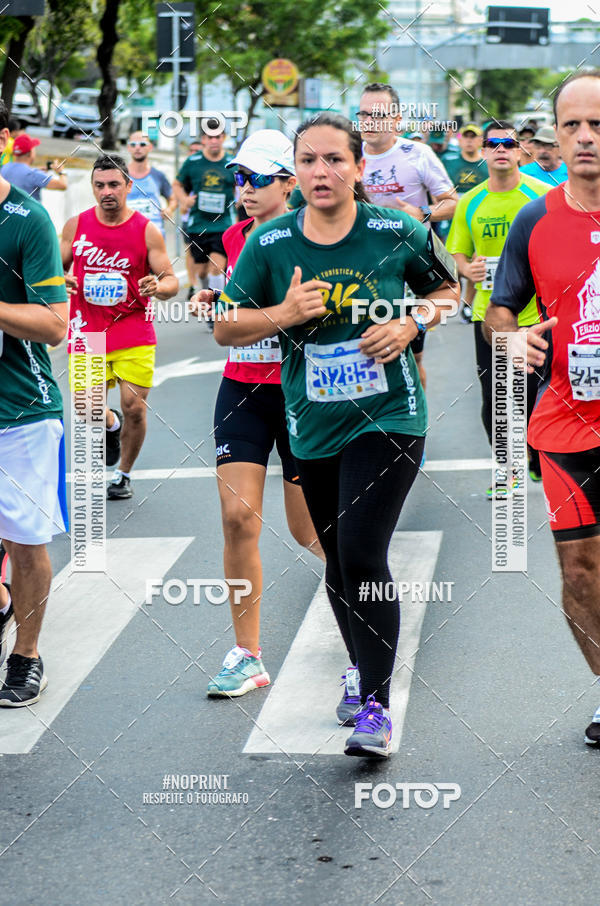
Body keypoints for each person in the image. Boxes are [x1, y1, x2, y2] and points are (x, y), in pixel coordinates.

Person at [213, 112, 459, 758]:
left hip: (391, 416)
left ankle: (375, 707)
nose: (321, 172)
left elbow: (448, 291)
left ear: (357, 168)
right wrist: (282, 314)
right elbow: (223, 326)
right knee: (338, 561)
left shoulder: (394, 229)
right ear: (296, 172)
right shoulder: (270, 244)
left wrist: (409, 326)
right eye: (309, 161)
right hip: (313, 424)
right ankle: (360, 666)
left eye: (334, 160)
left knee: (360, 552)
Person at [484, 71, 600, 746]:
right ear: (555, 135)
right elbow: (501, 309)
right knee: (581, 572)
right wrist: (512, 335)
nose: (586, 137)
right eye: (573, 125)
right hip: (566, 424)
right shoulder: (535, 217)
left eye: (598, 124)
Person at [190, 129, 324, 698]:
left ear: (288, 184)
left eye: (255, 179)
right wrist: (216, 304)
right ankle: (247, 654)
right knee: (237, 518)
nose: (242, 189)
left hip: (299, 391)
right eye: (238, 178)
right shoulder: (232, 233)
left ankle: (367, 594)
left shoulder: (309, 236)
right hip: (242, 387)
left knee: (307, 532)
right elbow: (235, 316)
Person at [0, 100, 69, 706]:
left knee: (24, 542)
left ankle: (26, 655)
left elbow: (54, 324)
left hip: (20, 409)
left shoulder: (26, 221)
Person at [61, 154, 178, 500]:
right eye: (100, 185)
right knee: (87, 408)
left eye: (114, 184)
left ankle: (122, 473)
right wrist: (60, 280)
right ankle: (111, 427)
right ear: (93, 187)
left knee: (134, 408)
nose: (107, 192)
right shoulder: (76, 225)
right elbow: (51, 270)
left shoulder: (145, 230)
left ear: (128, 186)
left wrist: (159, 287)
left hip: (132, 329)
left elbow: (170, 280)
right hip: (88, 331)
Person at [446, 121, 550, 494]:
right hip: (489, 317)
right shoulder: (471, 201)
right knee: (495, 400)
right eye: (494, 144)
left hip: (538, 317)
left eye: (508, 143)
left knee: (538, 396)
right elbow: (454, 248)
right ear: (485, 152)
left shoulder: (541, 195)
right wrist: (465, 267)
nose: (501, 149)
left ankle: (537, 458)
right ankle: (510, 472)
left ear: (520, 151)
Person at [358, 83, 457, 390]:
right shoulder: (347, 155)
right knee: (359, 351)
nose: (369, 122)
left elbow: (452, 203)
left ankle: (416, 424)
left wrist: (422, 213)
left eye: (378, 115)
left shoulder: (417, 154)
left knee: (412, 358)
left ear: (397, 120)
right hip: (360, 265)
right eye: (363, 114)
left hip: (409, 269)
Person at [173, 120, 236, 302]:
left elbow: (241, 186)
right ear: (203, 139)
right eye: (210, 137)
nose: (214, 141)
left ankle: (216, 308)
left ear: (223, 138)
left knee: (217, 266)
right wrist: (184, 199)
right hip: (198, 225)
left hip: (223, 225)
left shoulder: (231, 163)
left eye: (217, 137)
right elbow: (177, 184)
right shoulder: (193, 162)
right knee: (202, 271)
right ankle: (206, 293)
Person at [126, 131, 177, 237]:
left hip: (154, 234)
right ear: (128, 147)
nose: (138, 148)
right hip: (128, 234)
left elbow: (173, 199)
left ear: (150, 147)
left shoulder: (158, 175)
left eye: (142, 144)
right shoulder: (120, 175)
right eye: (133, 144)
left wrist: (169, 209)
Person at [0, 133, 67, 201]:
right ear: (30, 153)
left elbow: (20, 174)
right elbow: (62, 185)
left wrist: (36, 170)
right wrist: (61, 171)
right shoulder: (34, 174)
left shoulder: (5, 167)